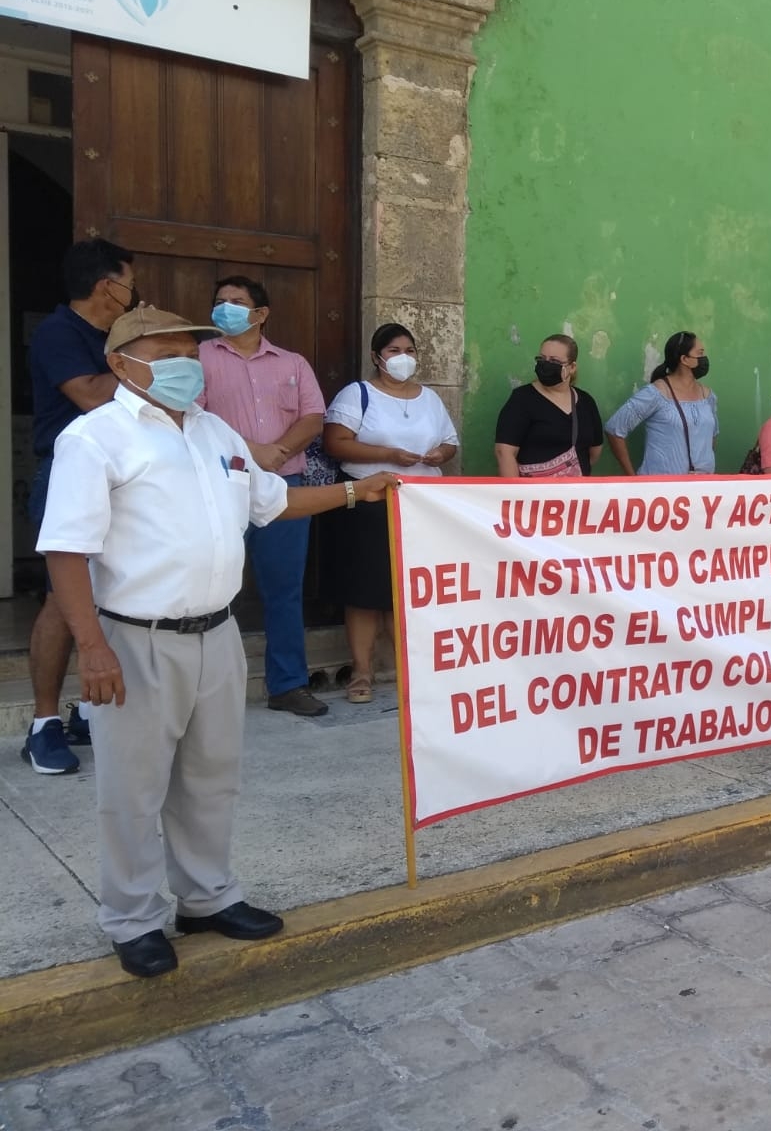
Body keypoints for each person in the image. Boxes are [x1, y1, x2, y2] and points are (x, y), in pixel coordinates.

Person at [36, 306, 399, 978]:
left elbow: (273, 501)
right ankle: (134, 918)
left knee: (210, 778)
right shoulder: (96, 439)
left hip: (217, 633)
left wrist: (355, 492)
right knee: (133, 789)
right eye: (167, 351)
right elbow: (65, 550)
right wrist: (90, 647)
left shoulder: (212, 431)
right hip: (136, 639)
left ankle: (206, 898)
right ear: (121, 363)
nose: (185, 363)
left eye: (190, 351)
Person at [21, 239, 138, 775]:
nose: (133, 295)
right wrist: (143, 362)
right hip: (67, 476)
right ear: (105, 285)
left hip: (121, 476)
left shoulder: (113, 336)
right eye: (129, 283)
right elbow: (92, 396)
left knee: (113, 593)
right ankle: (43, 725)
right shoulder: (57, 333)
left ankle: (89, 711)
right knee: (63, 602)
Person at [198, 276, 329, 717]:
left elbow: (313, 417)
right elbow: (194, 418)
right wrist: (253, 453)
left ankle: (288, 685)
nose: (226, 309)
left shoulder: (292, 363)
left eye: (237, 302)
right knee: (213, 589)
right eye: (220, 302)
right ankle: (209, 691)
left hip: (285, 486)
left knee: (284, 590)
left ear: (261, 314)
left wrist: (279, 453)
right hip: (223, 486)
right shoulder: (199, 358)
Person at [324, 324, 459, 704]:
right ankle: (362, 672)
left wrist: (439, 456)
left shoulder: (429, 398)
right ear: (376, 357)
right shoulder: (358, 394)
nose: (404, 358)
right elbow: (335, 442)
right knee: (365, 593)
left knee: (412, 591)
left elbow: (449, 441)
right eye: (395, 350)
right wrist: (388, 455)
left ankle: (409, 671)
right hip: (369, 503)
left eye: (410, 350)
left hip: (418, 506)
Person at [605, 331, 718, 475]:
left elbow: (712, 437)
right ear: (684, 359)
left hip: (701, 491)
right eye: (700, 353)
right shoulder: (656, 393)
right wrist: (632, 480)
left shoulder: (708, 396)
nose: (704, 358)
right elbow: (614, 428)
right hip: (661, 491)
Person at [493, 334, 604, 478]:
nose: (546, 365)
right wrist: (516, 493)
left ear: (572, 367)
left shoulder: (586, 402)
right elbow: (504, 453)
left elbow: (593, 453)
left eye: (554, 361)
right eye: (542, 359)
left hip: (575, 496)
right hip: (533, 496)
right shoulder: (522, 399)